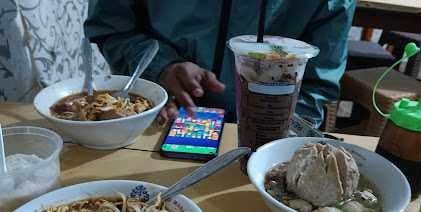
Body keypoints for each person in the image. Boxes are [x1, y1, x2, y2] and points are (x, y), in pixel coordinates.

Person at [85, 0, 356, 127]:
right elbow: (111, 27)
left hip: (269, 140)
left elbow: (318, 83)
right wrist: (161, 68)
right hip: (153, 118)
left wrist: (287, 134)